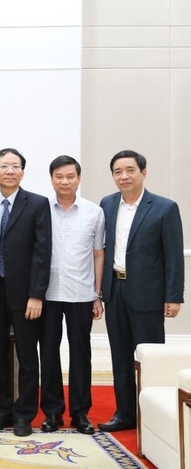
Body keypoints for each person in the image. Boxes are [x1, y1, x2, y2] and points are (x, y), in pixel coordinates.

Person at [97, 150, 184, 432]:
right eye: (118, 172)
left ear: (143, 173)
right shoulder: (107, 205)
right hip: (114, 289)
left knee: (148, 356)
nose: (124, 176)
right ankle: (125, 413)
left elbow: (173, 256)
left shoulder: (164, 207)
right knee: (120, 355)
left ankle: (152, 417)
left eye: (130, 170)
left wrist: (173, 296)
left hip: (148, 294)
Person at [0, 148, 51, 437]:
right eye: (4, 166)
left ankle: (24, 414)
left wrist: (36, 295)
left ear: (23, 171)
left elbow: (42, 252)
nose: (10, 171)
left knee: (26, 356)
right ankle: (1, 410)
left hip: (25, 296)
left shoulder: (37, 204)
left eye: (16, 166)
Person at [39, 156, 104, 435]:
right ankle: (52, 412)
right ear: (51, 178)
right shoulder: (41, 210)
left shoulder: (94, 212)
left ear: (79, 178)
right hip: (47, 294)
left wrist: (97, 294)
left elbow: (98, 254)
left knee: (81, 354)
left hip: (81, 293)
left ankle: (80, 412)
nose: (64, 182)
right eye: (59, 177)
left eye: (70, 176)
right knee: (49, 354)